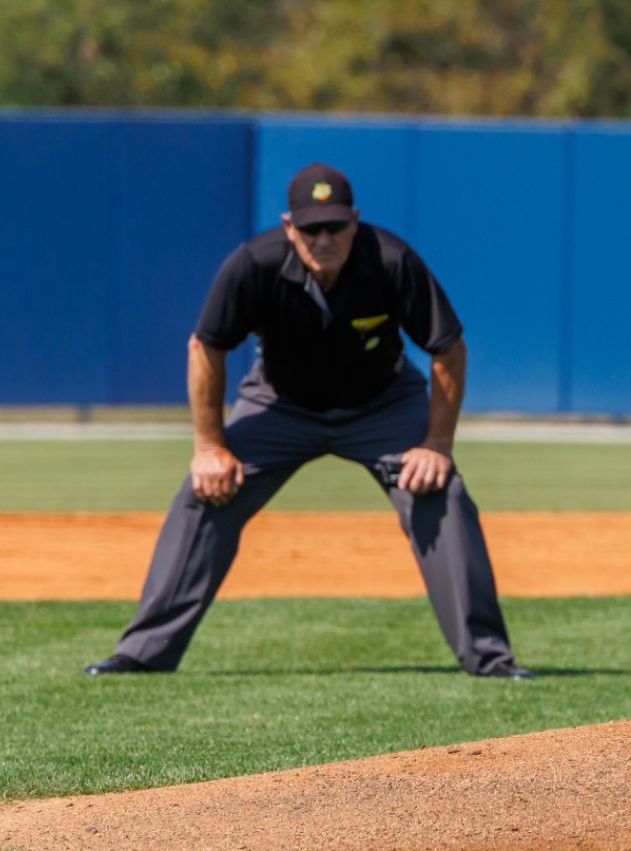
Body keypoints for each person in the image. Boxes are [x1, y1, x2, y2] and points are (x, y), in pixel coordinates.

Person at [84, 163, 531, 678]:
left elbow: (448, 348)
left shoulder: (391, 260)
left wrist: (436, 443)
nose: (324, 238)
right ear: (289, 226)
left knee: (440, 491)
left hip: (381, 405)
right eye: (311, 228)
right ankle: (142, 654)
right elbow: (205, 347)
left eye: (336, 226)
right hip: (280, 405)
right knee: (206, 490)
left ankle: (489, 657)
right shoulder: (255, 264)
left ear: (355, 222)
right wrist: (209, 447)